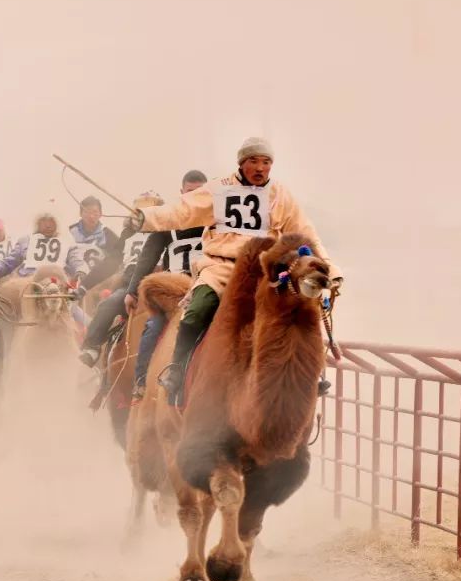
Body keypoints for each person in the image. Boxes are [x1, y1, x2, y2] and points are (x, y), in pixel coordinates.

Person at [131, 137, 341, 406]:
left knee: (300, 310)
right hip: (221, 269)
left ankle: (309, 376)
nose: (260, 168)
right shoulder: (218, 190)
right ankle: (177, 370)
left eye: (266, 162)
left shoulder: (281, 196)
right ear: (242, 163)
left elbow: (306, 233)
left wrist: (328, 267)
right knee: (196, 312)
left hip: (266, 273)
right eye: (254, 161)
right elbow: (183, 210)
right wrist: (146, 218)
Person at [122, 170, 209, 396]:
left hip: (209, 285)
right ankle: (141, 381)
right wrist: (132, 291)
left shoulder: (217, 220)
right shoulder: (169, 221)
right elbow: (148, 257)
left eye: (200, 192)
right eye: (190, 192)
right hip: (174, 289)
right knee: (153, 326)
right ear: (182, 193)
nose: (194, 196)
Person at [76, 191, 165, 367]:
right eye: (140, 210)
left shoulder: (165, 231)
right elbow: (110, 262)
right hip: (130, 286)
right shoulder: (127, 234)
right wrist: (84, 286)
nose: (143, 214)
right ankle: (92, 348)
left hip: (157, 284)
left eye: (150, 209)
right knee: (108, 304)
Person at [0, 212, 63, 279]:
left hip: (57, 282)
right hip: (28, 282)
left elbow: (74, 263)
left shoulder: (65, 243)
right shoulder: (25, 241)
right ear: (38, 225)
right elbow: (7, 264)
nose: (48, 227)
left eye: (50, 223)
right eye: (44, 224)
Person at [66, 196, 119, 283]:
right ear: (80, 213)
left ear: (101, 214)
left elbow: (118, 259)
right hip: (73, 280)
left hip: (97, 282)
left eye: (95, 212)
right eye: (87, 212)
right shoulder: (70, 232)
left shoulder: (108, 234)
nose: (91, 216)